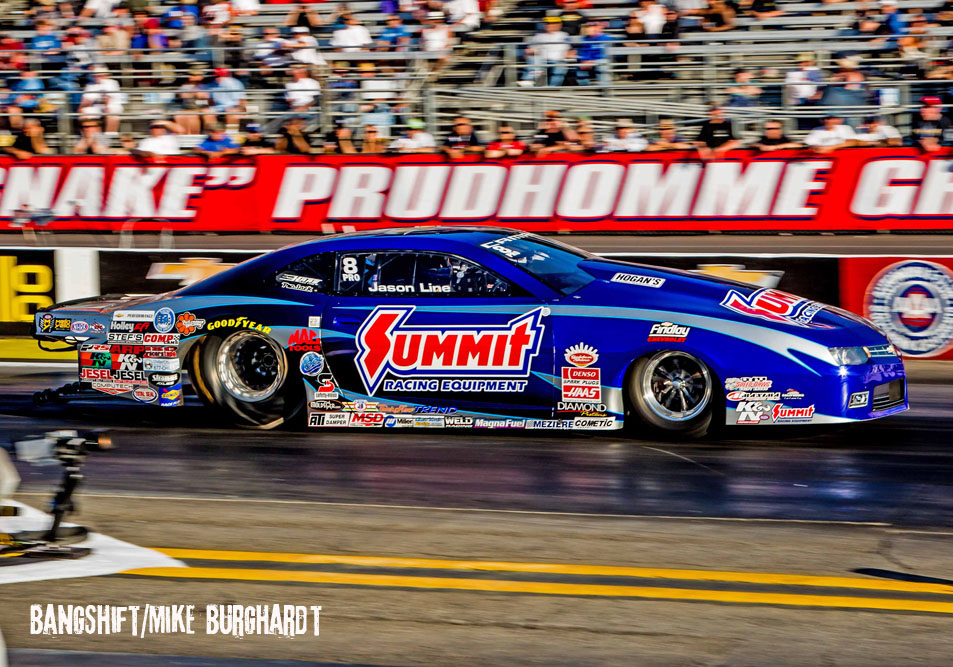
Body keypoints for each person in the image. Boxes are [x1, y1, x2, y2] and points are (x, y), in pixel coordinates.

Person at [520, 16, 571, 87]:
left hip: (558, 60)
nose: (548, 25)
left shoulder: (563, 35)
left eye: (552, 23)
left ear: (559, 25)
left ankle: (553, 88)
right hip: (542, 59)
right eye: (547, 23)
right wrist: (529, 52)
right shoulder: (538, 36)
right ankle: (528, 81)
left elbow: (568, 49)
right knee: (534, 60)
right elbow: (531, 49)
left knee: (560, 67)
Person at [79, 67, 123, 133]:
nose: (97, 77)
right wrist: (81, 109)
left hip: (112, 105)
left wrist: (105, 107)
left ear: (105, 75)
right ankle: (93, 135)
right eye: (96, 75)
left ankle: (111, 134)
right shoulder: (91, 85)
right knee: (85, 112)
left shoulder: (112, 83)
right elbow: (86, 101)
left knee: (111, 111)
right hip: (97, 106)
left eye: (100, 75)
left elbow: (107, 99)